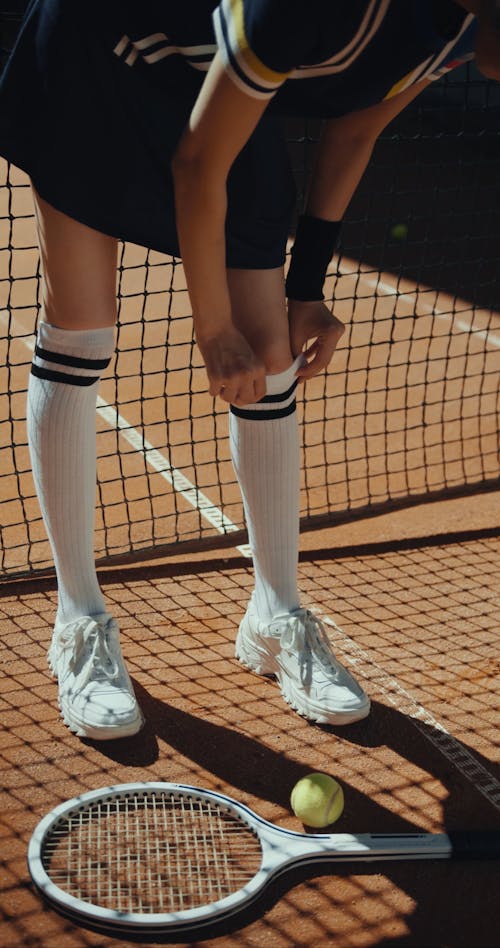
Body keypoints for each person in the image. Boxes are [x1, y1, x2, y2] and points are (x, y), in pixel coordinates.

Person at [0, 0, 497, 740]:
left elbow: (356, 124)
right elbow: (198, 165)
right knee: (82, 326)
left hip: (219, 76)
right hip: (95, 52)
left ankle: (275, 611)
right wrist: (211, 329)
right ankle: (79, 619)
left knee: (272, 354)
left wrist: (307, 289)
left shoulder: (463, 26)